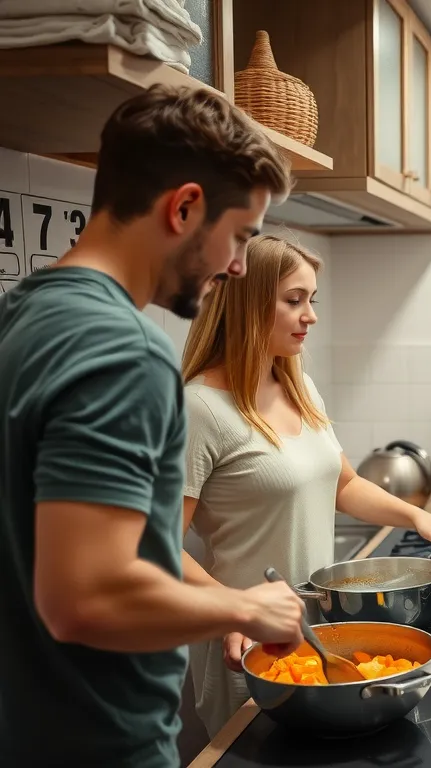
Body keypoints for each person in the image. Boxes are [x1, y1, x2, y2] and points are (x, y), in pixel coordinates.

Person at [0, 85, 308, 768]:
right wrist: (245, 612)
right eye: (238, 237)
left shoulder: (23, 317)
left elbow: (112, 547)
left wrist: (225, 595)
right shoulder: (123, 352)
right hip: (100, 742)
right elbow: (85, 595)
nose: (235, 265)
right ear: (185, 206)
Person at [179, 233, 431, 735]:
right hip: (252, 645)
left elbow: (345, 484)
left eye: (312, 300)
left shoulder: (297, 385)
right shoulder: (198, 409)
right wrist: (236, 613)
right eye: (294, 300)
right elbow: (157, 543)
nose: (310, 315)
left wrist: (418, 516)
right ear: (246, 304)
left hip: (321, 633)